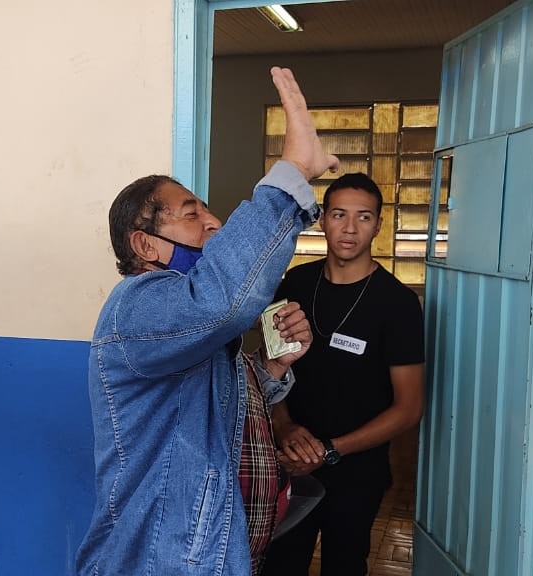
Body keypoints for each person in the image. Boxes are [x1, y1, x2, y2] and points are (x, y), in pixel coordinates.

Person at [75, 67, 339, 576]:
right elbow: (222, 301)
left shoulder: (181, 325)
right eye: (191, 214)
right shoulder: (136, 305)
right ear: (145, 244)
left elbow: (208, 403)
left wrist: (272, 368)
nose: (213, 221)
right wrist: (289, 176)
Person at [262, 173, 425, 576]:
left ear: (379, 225)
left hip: (357, 470)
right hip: (289, 461)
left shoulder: (398, 304)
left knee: (345, 566)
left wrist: (330, 450)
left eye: (364, 217)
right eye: (338, 214)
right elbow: (267, 373)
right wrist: (285, 430)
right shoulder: (294, 284)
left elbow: (409, 408)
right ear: (322, 219)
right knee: (278, 565)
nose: (350, 228)